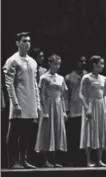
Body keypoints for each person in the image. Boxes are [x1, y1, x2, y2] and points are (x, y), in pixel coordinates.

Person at [3, 32, 40, 169]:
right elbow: (9, 84)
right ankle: (12, 161)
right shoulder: (13, 60)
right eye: (24, 41)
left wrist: (37, 103)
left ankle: (23, 159)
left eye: (29, 41)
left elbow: (35, 85)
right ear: (17, 43)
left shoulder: (33, 62)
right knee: (14, 133)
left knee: (26, 133)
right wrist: (15, 103)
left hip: (30, 102)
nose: (27, 44)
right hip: (19, 101)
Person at [35, 54, 68, 167]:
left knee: (56, 131)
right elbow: (42, 95)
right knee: (46, 131)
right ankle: (44, 160)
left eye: (59, 64)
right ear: (50, 64)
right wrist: (44, 111)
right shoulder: (44, 77)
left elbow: (63, 96)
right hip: (48, 105)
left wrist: (64, 111)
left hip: (58, 106)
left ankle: (54, 160)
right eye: (55, 64)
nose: (57, 66)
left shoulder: (61, 78)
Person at [79, 56, 106, 167]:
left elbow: (104, 95)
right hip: (91, 105)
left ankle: (99, 160)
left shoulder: (104, 78)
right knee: (89, 132)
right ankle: (88, 160)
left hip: (101, 105)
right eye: (101, 64)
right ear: (94, 64)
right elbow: (81, 94)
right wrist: (87, 108)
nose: (103, 66)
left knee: (101, 131)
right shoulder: (86, 77)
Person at [65, 56, 87, 166]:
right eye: (80, 61)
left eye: (84, 61)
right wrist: (67, 110)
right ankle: (73, 159)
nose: (83, 63)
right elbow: (66, 95)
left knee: (84, 136)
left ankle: (85, 160)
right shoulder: (69, 77)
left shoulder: (87, 75)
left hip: (85, 109)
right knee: (74, 136)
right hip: (74, 110)